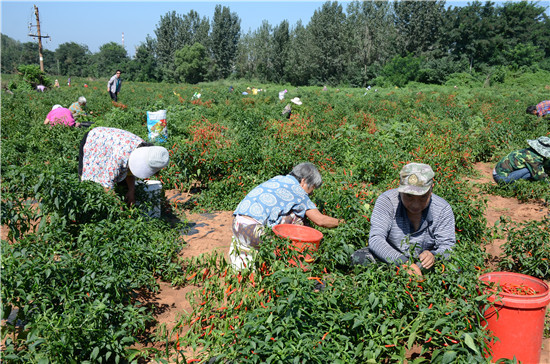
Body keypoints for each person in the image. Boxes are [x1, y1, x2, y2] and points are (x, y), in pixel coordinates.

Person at [230, 162, 342, 270]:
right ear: (303, 181)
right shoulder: (299, 192)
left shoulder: (278, 178)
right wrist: (344, 222)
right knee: (298, 218)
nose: (310, 194)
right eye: (311, 189)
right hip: (254, 232)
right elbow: (320, 220)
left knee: (289, 212)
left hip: (237, 225)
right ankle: (293, 264)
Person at [351, 163, 456, 277]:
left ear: (431, 190)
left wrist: (433, 255)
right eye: (409, 196)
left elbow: (448, 245)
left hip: (423, 263)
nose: (415, 205)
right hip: (391, 257)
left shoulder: (442, 209)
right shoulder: (387, 201)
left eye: (422, 197)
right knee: (360, 258)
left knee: (453, 268)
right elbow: (376, 239)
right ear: (400, 189)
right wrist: (403, 262)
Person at [79, 127, 169, 205]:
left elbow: (131, 170)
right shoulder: (120, 156)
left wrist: (131, 191)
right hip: (94, 140)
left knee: (122, 185)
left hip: (112, 143)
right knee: (88, 183)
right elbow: (107, 185)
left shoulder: (143, 149)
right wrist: (118, 206)